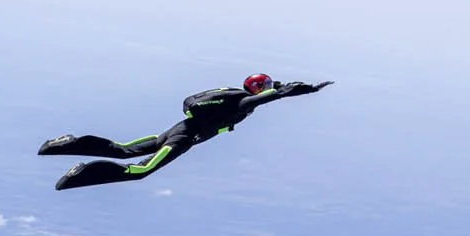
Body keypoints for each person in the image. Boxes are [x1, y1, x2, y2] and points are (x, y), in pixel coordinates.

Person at [40, 75, 332, 190]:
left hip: (175, 131)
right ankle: (82, 174)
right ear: (257, 90)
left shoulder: (233, 96)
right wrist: (302, 90)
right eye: (265, 85)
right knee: (140, 171)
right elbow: (270, 97)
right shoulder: (243, 102)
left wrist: (283, 87)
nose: (268, 87)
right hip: (182, 138)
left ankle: (63, 144)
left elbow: (271, 92)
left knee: (123, 149)